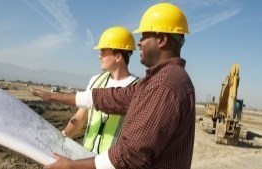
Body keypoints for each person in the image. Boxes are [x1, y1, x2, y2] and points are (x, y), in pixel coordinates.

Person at [31, 2, 195, 169]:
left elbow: (131, 155)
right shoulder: (158, 80)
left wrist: (71, 166)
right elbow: (113, 98)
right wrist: (52, 96)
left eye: (144, 36)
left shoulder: (164, 85)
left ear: (162, 40)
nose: (139, 43)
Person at [61, 26, 138, 154]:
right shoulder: (96, 81)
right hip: (85, 159)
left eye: (103, 51)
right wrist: (65, 134)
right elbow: (80, 117)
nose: (99, 56)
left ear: (118, 56)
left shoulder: (137, 88)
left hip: (112, 164)